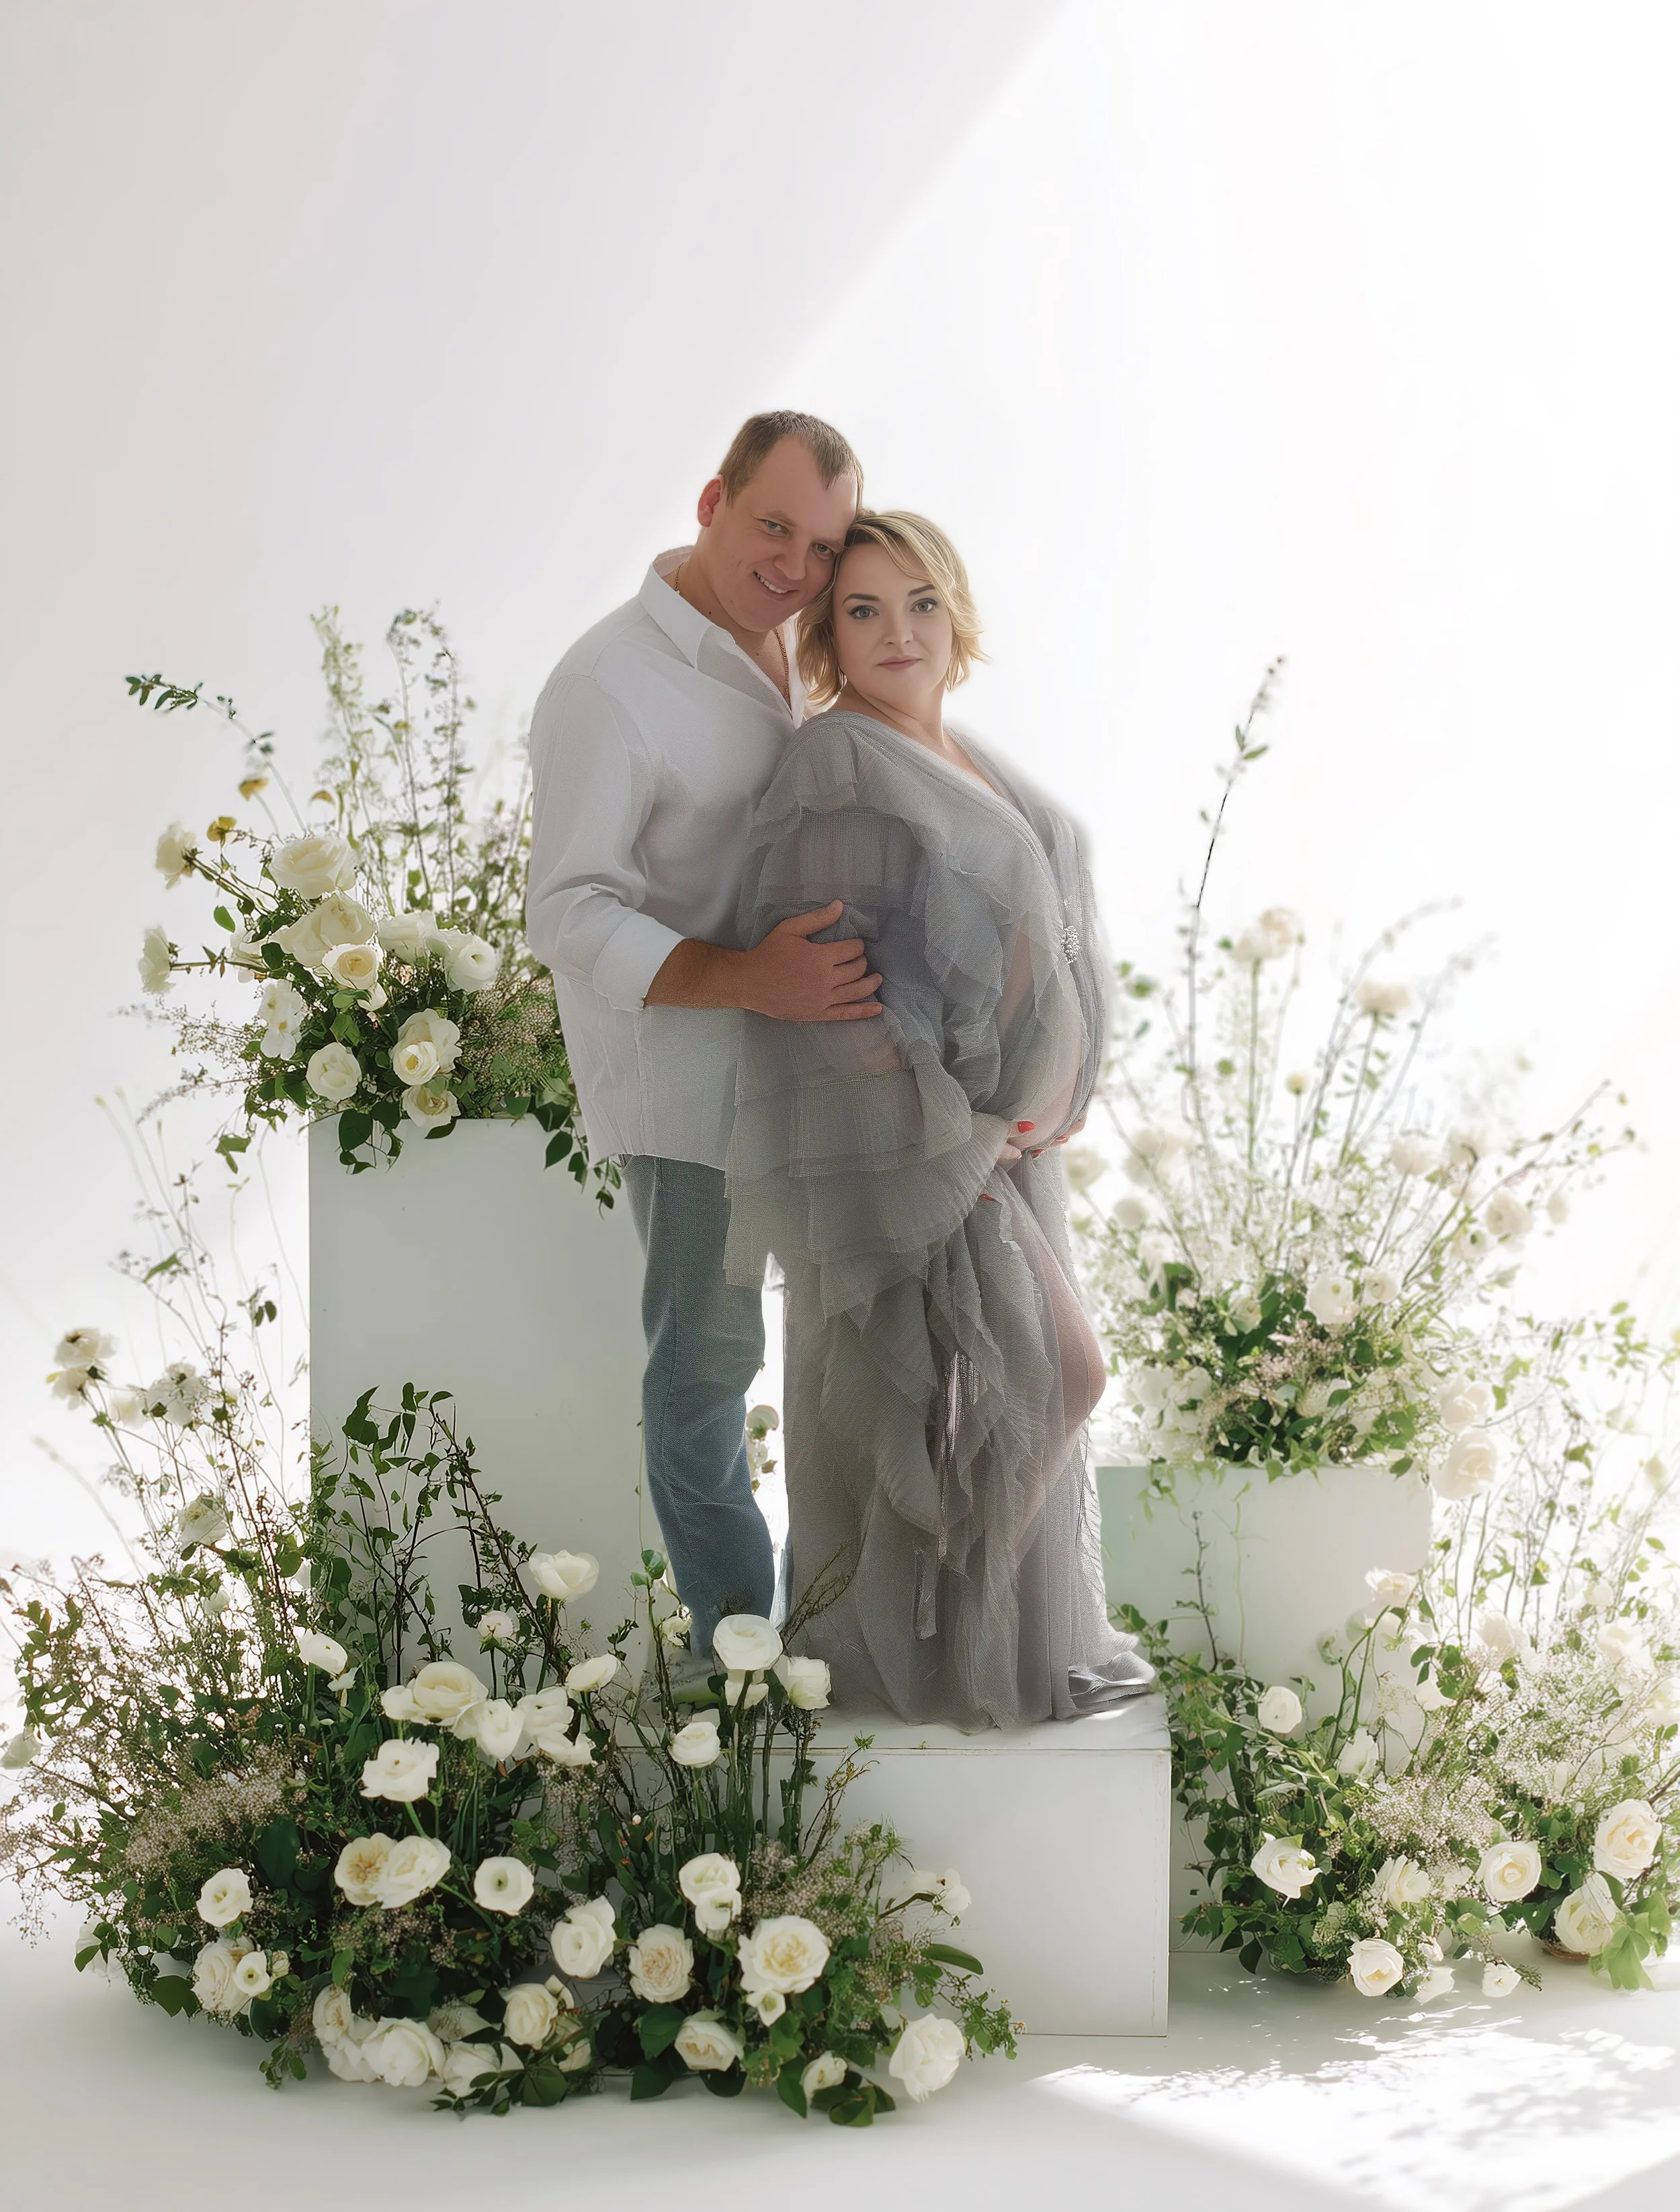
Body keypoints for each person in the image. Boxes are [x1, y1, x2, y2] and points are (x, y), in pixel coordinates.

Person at [724, 511, 1154, 1730]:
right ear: (828, 634)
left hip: (1009, 1146)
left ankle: (974, 1633)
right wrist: (949, 1138)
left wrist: (1058, 1090)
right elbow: (831, 986)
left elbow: (1049, 929)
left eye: (917, 601)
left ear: (954, 609)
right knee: (1056, 1375)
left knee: (980, 1404)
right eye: (861, 610)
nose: (896, 631)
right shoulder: (839, 763)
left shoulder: (960, 749)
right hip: (927, 1148)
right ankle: (947, 1636)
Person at [525, 412, 879, 1656]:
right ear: (710, 501)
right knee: (707, 1370)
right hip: (690, 1091)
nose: (794, 566)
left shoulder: (791, 643)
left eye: (824, 545)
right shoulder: (604, 686)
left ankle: (834, 1630)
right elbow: (566, 911)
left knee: (845, 1355)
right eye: (772, 526)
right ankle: (745, 1661)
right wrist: (752, 981)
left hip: (810, 1073)